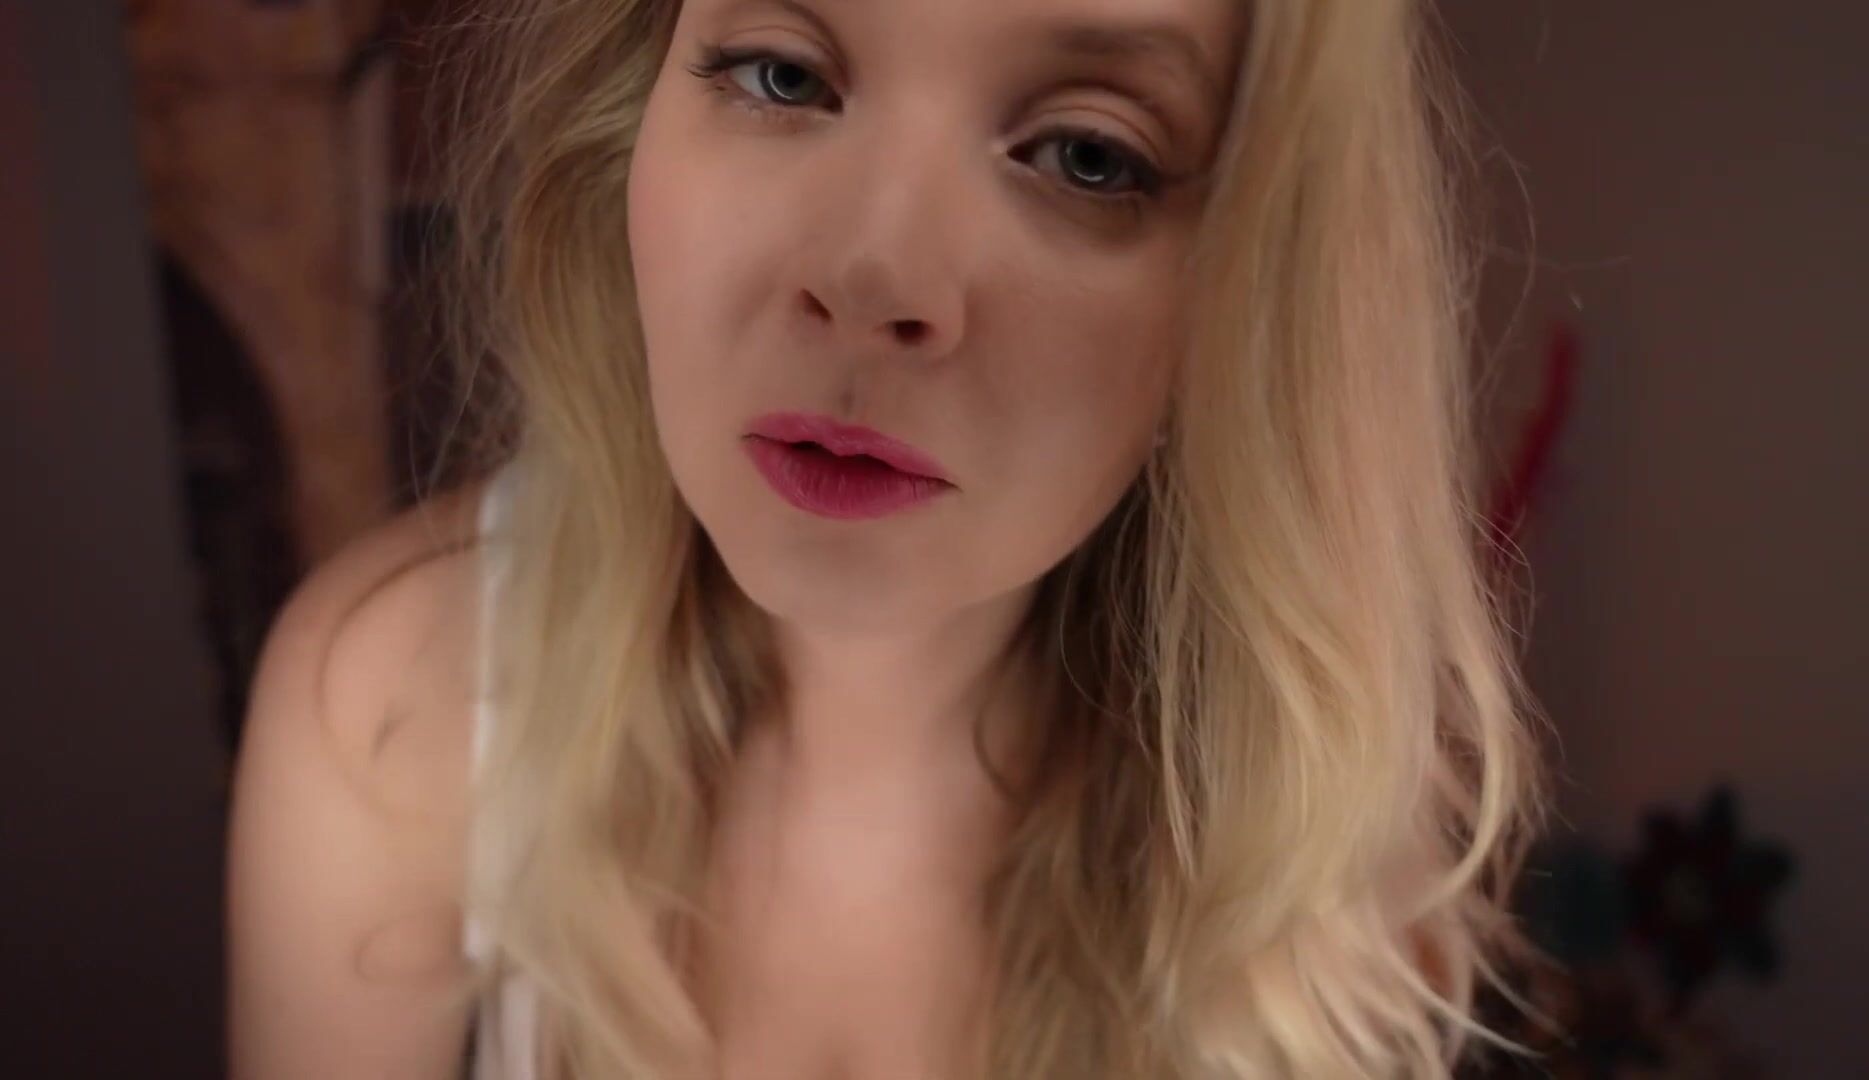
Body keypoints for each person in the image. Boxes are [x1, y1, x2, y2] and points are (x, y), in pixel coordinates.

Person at [226, 0, 1553, 1076]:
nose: (872, 278)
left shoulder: (1327, 879)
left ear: (1247, 291)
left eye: (1086, 155)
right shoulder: (396, 706)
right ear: (630, 117)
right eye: (783, 75)